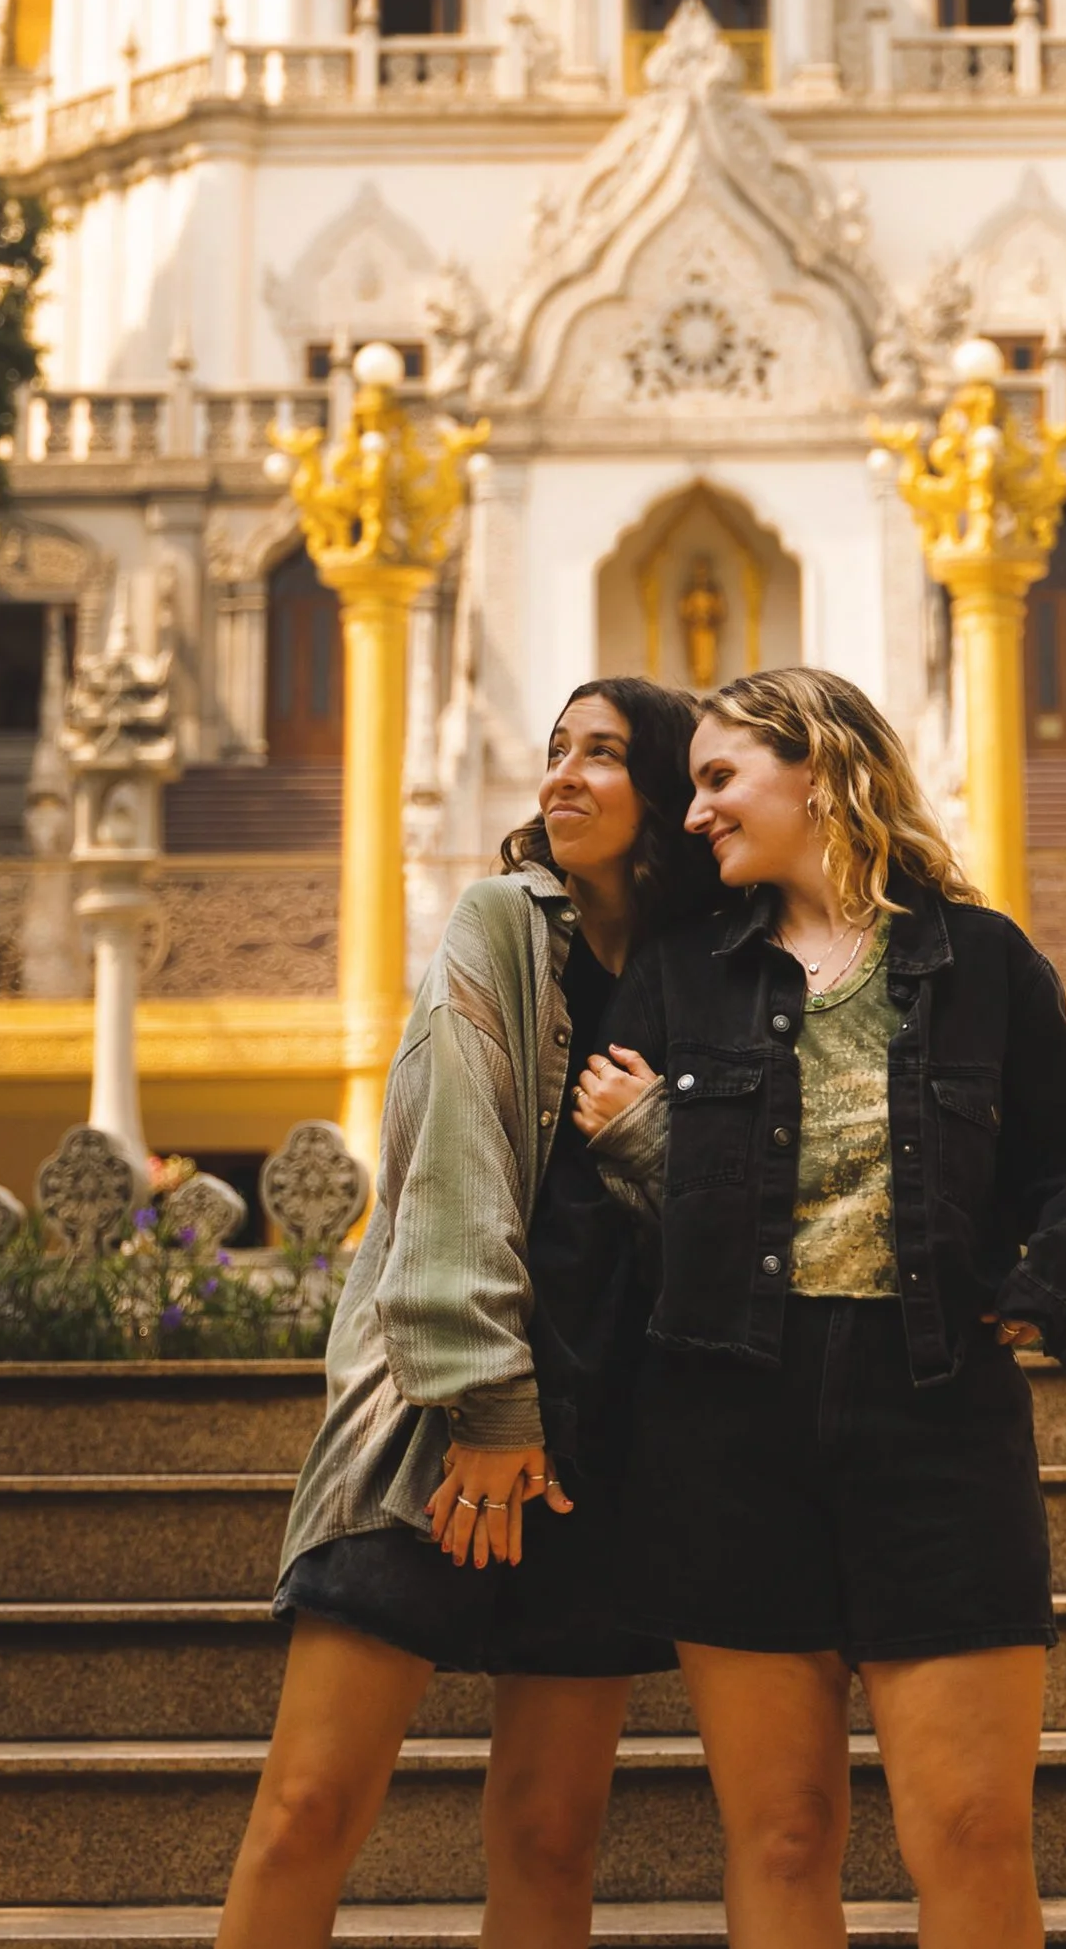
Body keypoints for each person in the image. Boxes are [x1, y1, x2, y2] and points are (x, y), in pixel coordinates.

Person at [574, 663, 1066, 1949]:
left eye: (721, 777)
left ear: (817, 767)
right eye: (690, 786)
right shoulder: (679, 976)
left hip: (934, 1419)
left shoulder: (982, 961)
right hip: (726, 1424)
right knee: (780, 1833)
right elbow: (599, 1218)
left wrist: (1053, 1276)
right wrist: (653, 1147)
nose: (695, 811)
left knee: (972, 1830)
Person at [215, 674, 718, 1949]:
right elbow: (450, 1170)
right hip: (438, 1430)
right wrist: (490, 1410)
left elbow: (737, 1209)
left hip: (607, 1439)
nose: (562, 774)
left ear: (664, 789)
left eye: (602, 753)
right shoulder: (501, 922)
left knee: (551, 1837)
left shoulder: (711, 974)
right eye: (556, 748)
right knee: (308, 1807)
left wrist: (652, 1138)